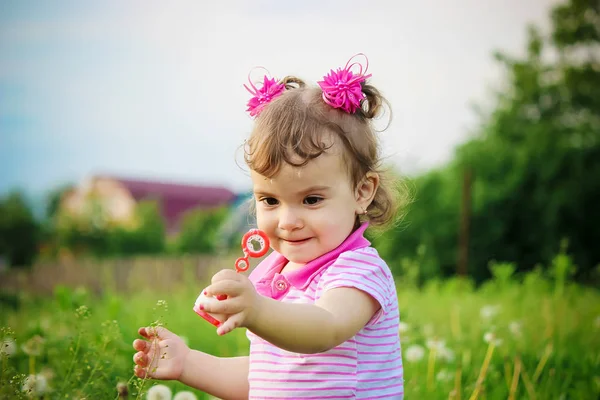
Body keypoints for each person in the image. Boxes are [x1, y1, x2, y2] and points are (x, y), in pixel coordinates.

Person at [133, 54, 406, 399]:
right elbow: (266, 377)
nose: (288, 222)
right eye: (270, 201)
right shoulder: (273, 276)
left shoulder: (359, 271)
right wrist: (189, 364)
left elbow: (326, 327)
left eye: (311, 200)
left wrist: (258, 310)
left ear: (362, 191)